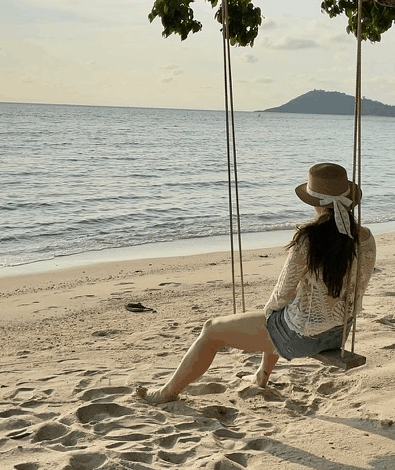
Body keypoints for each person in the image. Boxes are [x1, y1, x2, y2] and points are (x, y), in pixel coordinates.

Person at [138, 163, 376, 404]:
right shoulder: (365, 238)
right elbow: (359, 288)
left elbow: (282, 293)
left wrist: (267, 317)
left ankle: (165, 393)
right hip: (338, 333)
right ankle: (261, 377)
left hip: (301, 337)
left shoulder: (308, 239)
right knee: (278, 315)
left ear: (314, 202)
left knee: (213, 329)